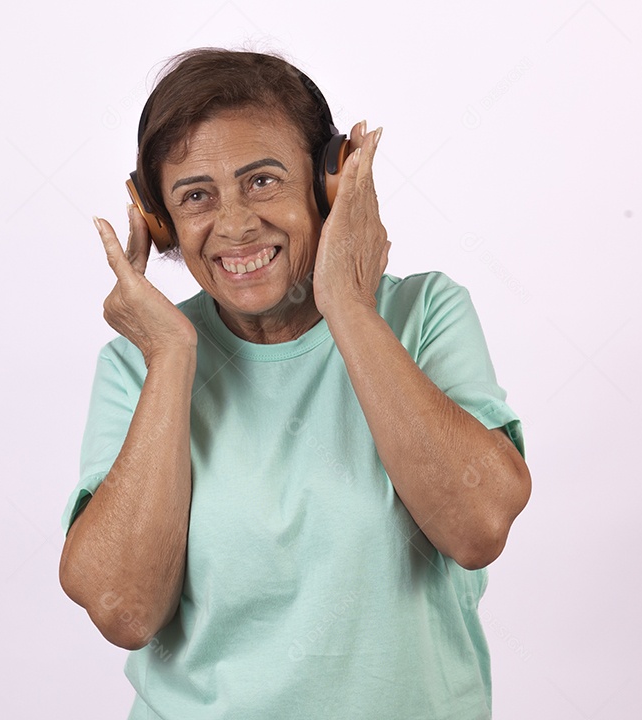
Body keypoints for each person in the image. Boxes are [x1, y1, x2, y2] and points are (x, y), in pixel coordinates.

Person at [59, 48, 532, 720]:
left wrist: (348, 305)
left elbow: (477, 526)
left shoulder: (424, 314)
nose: (234, 224)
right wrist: (169, 356)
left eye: (263, 181)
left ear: (329, 184)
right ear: (159, 219)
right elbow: (125, 609)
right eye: (196, 195)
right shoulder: (137, 364)